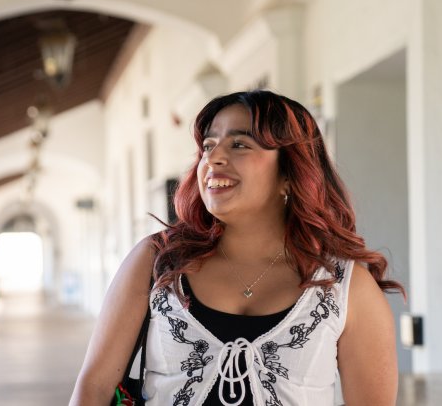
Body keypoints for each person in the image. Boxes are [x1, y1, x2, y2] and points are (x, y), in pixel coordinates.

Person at [71, 90, 403, 406]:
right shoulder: (157, 261)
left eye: (239, 144)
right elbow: (94, 388)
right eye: (208, 146)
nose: (213, 158)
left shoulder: (346, 286)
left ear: (289, 173)